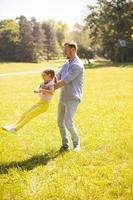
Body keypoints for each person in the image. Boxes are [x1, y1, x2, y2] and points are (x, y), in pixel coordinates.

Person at [55, 41, 84, 152]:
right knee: (60, 121)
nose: (64, 52)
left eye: (66, 50)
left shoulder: (77, 65)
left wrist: (49, 89)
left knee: (68, 121)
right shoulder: (66, 64)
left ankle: (76, 144)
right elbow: (57, 77)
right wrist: (46, 83)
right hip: (63, 97)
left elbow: (64, 81)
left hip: (73, 98)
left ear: (72, 50)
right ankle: (65, 145)